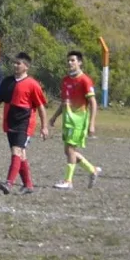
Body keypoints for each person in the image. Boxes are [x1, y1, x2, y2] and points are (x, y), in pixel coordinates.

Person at [0, 51, 49, 195]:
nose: (15, 65)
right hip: (10, 121)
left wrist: (44, 127)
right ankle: (28, 185)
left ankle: (9, 183)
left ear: (26, 66)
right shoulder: (7, 81)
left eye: (18, 63)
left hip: (25, 123)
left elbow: (41, 107)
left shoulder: (33, 84)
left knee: (16, 151)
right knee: (20, 154)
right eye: (14, 63)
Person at [48, 51, 102, 189]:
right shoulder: (65, 80)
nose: (70, 63)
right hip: (67, 119)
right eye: (68, 60)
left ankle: (68, 181)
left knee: (70, 150)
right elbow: (64, 102)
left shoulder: (85, 80)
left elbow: (93, 103)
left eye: (73, 60)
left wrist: (92, 124)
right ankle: (92, 170)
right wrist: (54, 117)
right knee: (68, 151)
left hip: (78, 120)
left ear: (80, 62)